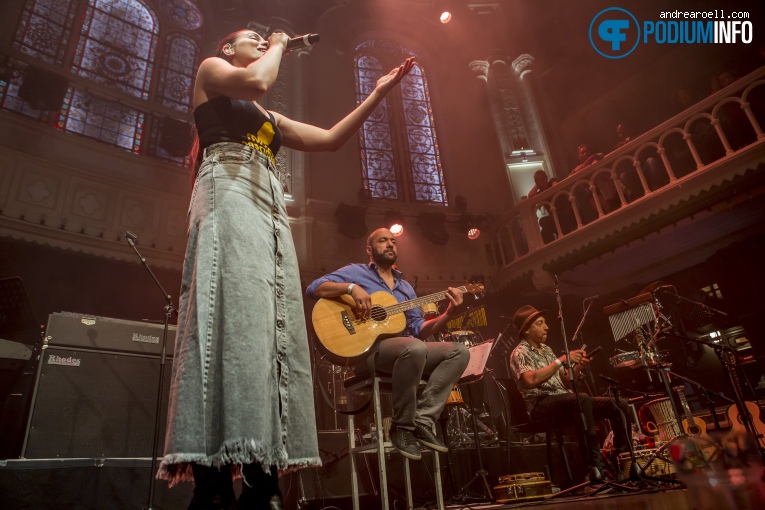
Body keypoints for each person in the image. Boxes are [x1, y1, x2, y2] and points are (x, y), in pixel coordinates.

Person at [158, 29, 415, 510]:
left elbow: (333, 140)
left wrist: (378, 91)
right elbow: (256, 82)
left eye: (263, 39)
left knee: (268, 331)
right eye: (250, 38)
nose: (260, 42)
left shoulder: (270, 119)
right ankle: (211, 483)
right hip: (228, 191)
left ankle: (262, 478)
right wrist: (278, 42)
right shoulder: (211, 73)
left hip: (268, 208)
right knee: (224, 317)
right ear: (226, 51)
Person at [306, 228, 471, 460]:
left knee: (459, 352)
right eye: (383, 241)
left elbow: (419, 329)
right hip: (368, 353)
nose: (390, 244)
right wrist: (351, 288)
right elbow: (314, 288)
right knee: (414, 348)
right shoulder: (356, 272)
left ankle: (422, 421)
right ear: (369, 249)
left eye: (393, 241)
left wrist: (448, 314)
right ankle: (402, 426)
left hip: (405, 353)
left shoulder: (406, 288)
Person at [508, 305, 632, 481]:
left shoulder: (547, 350)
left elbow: (565, 380)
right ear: (526, 329)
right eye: (540, 323)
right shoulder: (519, 353)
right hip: (540, 404)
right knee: (581, 400)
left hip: (563, 400)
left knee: (619, 405)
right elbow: (530, 380)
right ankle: (594, 469)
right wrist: (561, 360)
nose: (547, 327)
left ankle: (623, 462)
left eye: (545, 323)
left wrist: (579, 366)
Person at [526, 170, 560, 243]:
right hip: (554, 216)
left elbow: (556, 185)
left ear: (546, 178)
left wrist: (541, 183)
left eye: (544, 178)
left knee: (543, 222)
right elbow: (531, 195)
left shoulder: (551, 182)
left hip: (562, 212)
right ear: (536, 181)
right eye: (539, 179)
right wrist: (537, 185)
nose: (542, 180)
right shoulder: (540, 193)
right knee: (544, 230)